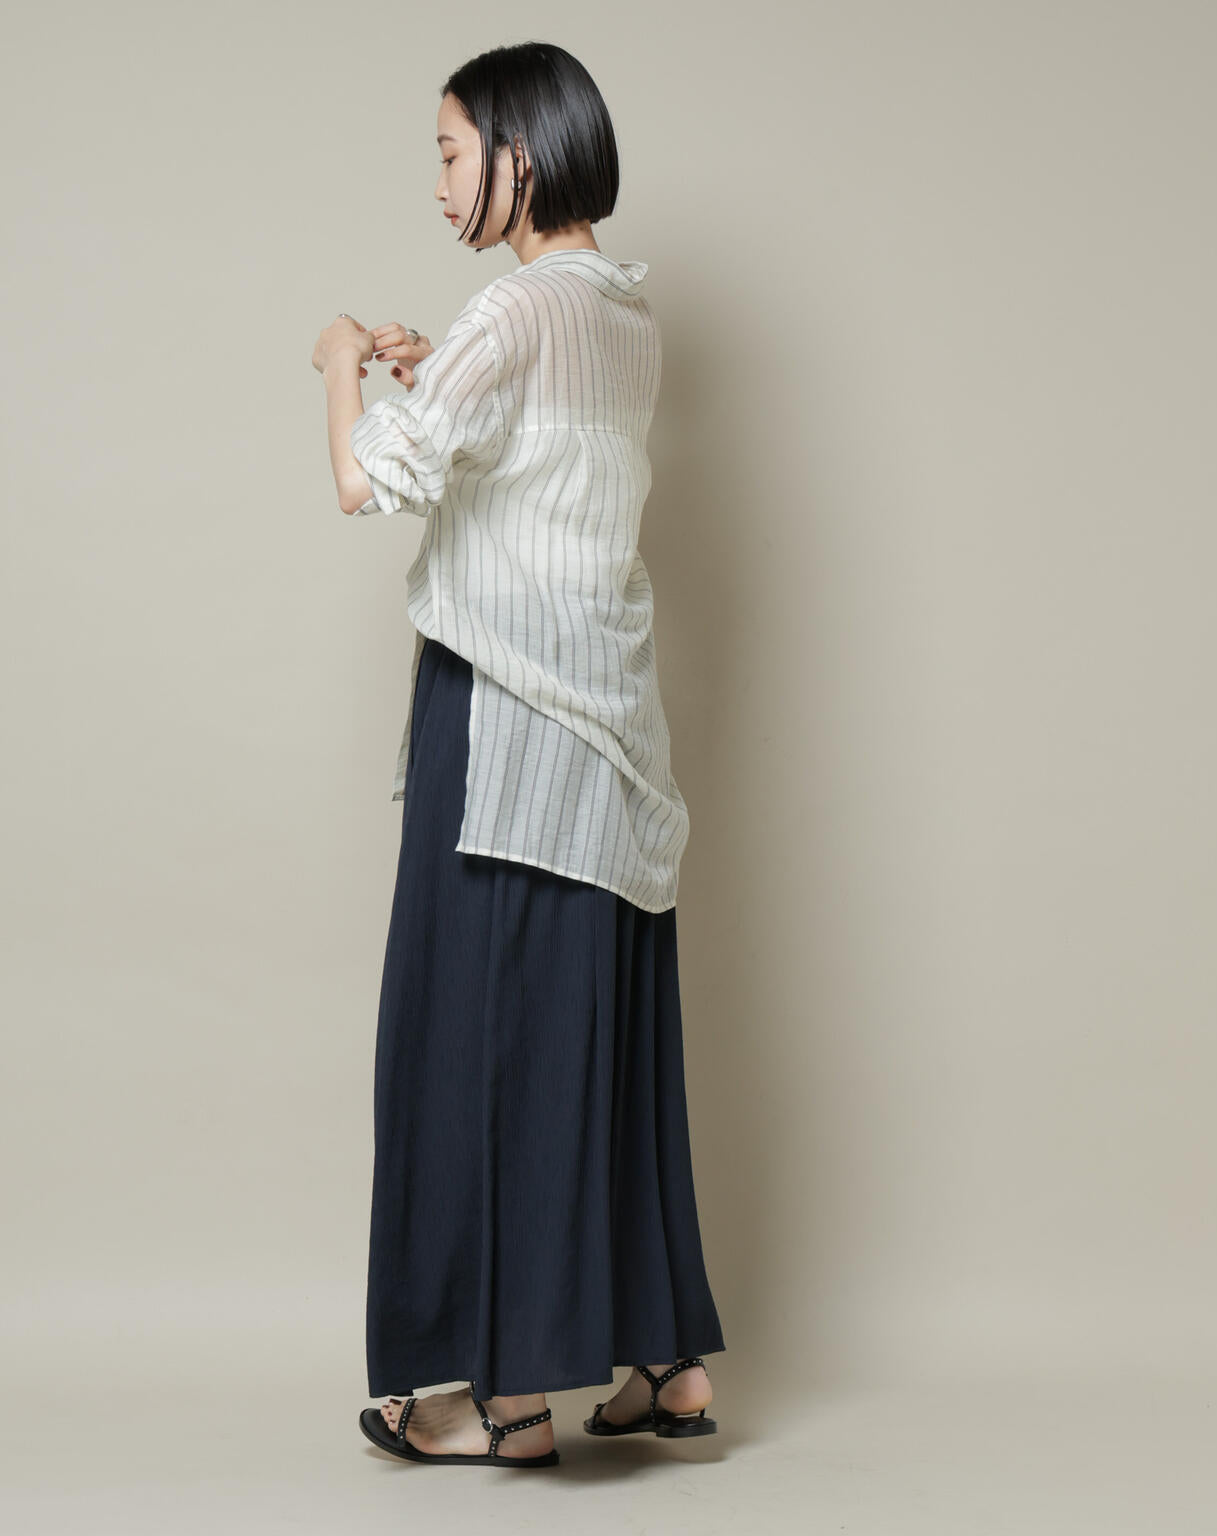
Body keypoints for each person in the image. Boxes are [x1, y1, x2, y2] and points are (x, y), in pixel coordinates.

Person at [312, 40, 725, 1470]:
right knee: (596, 1040)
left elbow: (369, 480)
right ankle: (665, 1365)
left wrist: (340, 364)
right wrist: (438, 368)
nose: (437, 185)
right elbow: (546, 456)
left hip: (502, 715)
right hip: (613, 730)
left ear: (519, 156)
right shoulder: (623, 312)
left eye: (448, 153)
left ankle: (501, 1396)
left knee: (470, 1041)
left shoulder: (511, 309)